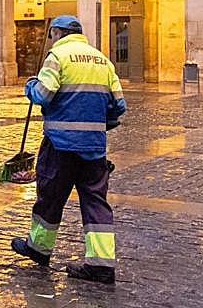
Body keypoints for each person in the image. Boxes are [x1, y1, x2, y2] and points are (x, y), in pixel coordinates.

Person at [10, 15, 126, 284]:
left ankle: (39, 248)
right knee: (95, 200)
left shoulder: (57, 57)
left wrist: (30, 85)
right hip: (94, 147)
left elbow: (43, 94)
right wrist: (98, 124)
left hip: (59, 144)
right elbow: (119, 106)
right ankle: (101, 264)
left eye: (51, 35)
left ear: (57, 33)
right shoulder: (102, 61)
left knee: (50, 196)